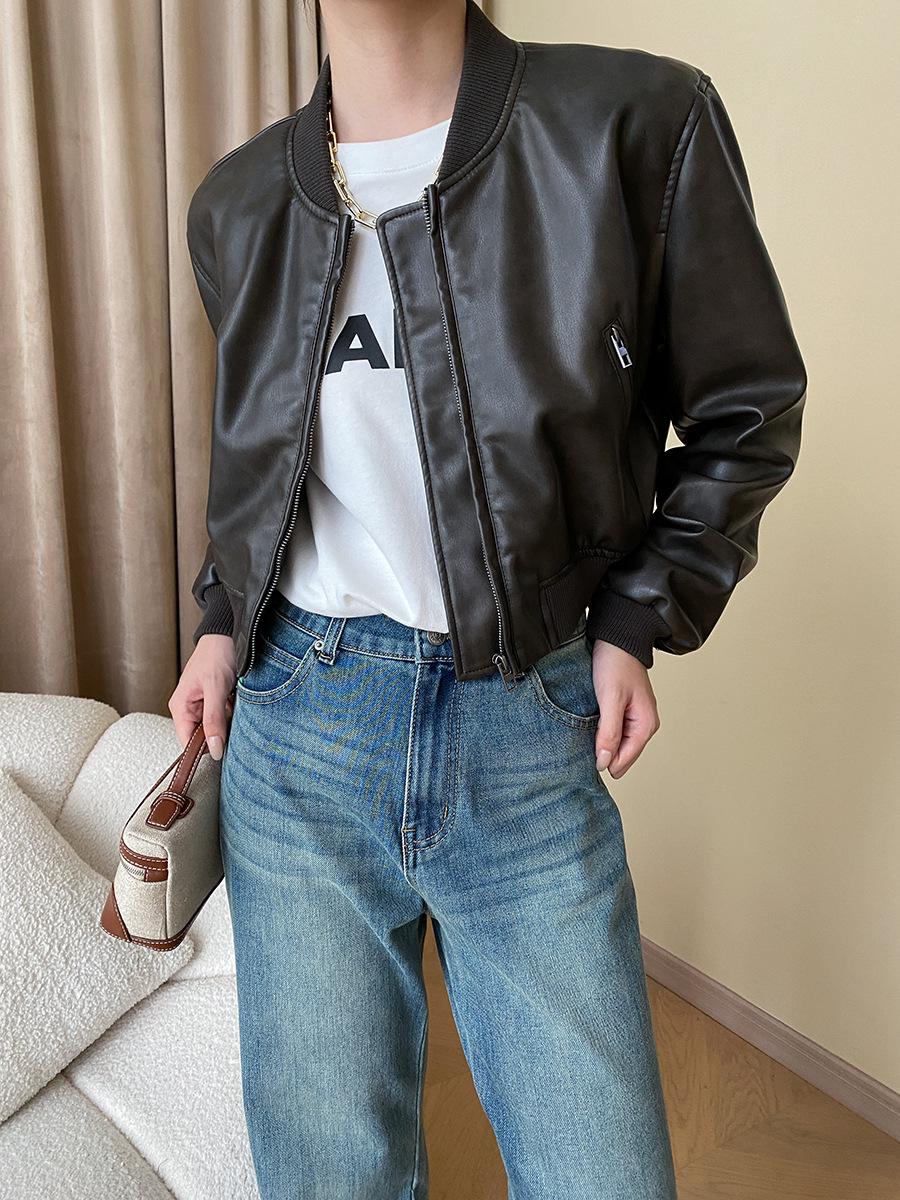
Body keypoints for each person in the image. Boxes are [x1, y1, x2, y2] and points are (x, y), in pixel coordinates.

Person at [168, 1, 806, 1196]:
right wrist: (218, 622)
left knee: (600, 1175)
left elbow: (747, 410)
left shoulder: (633, 124)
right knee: (329, 1177)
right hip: (296, 724)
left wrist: (638, 615)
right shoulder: (238, 203)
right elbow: (260, 468)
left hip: (525, 717)